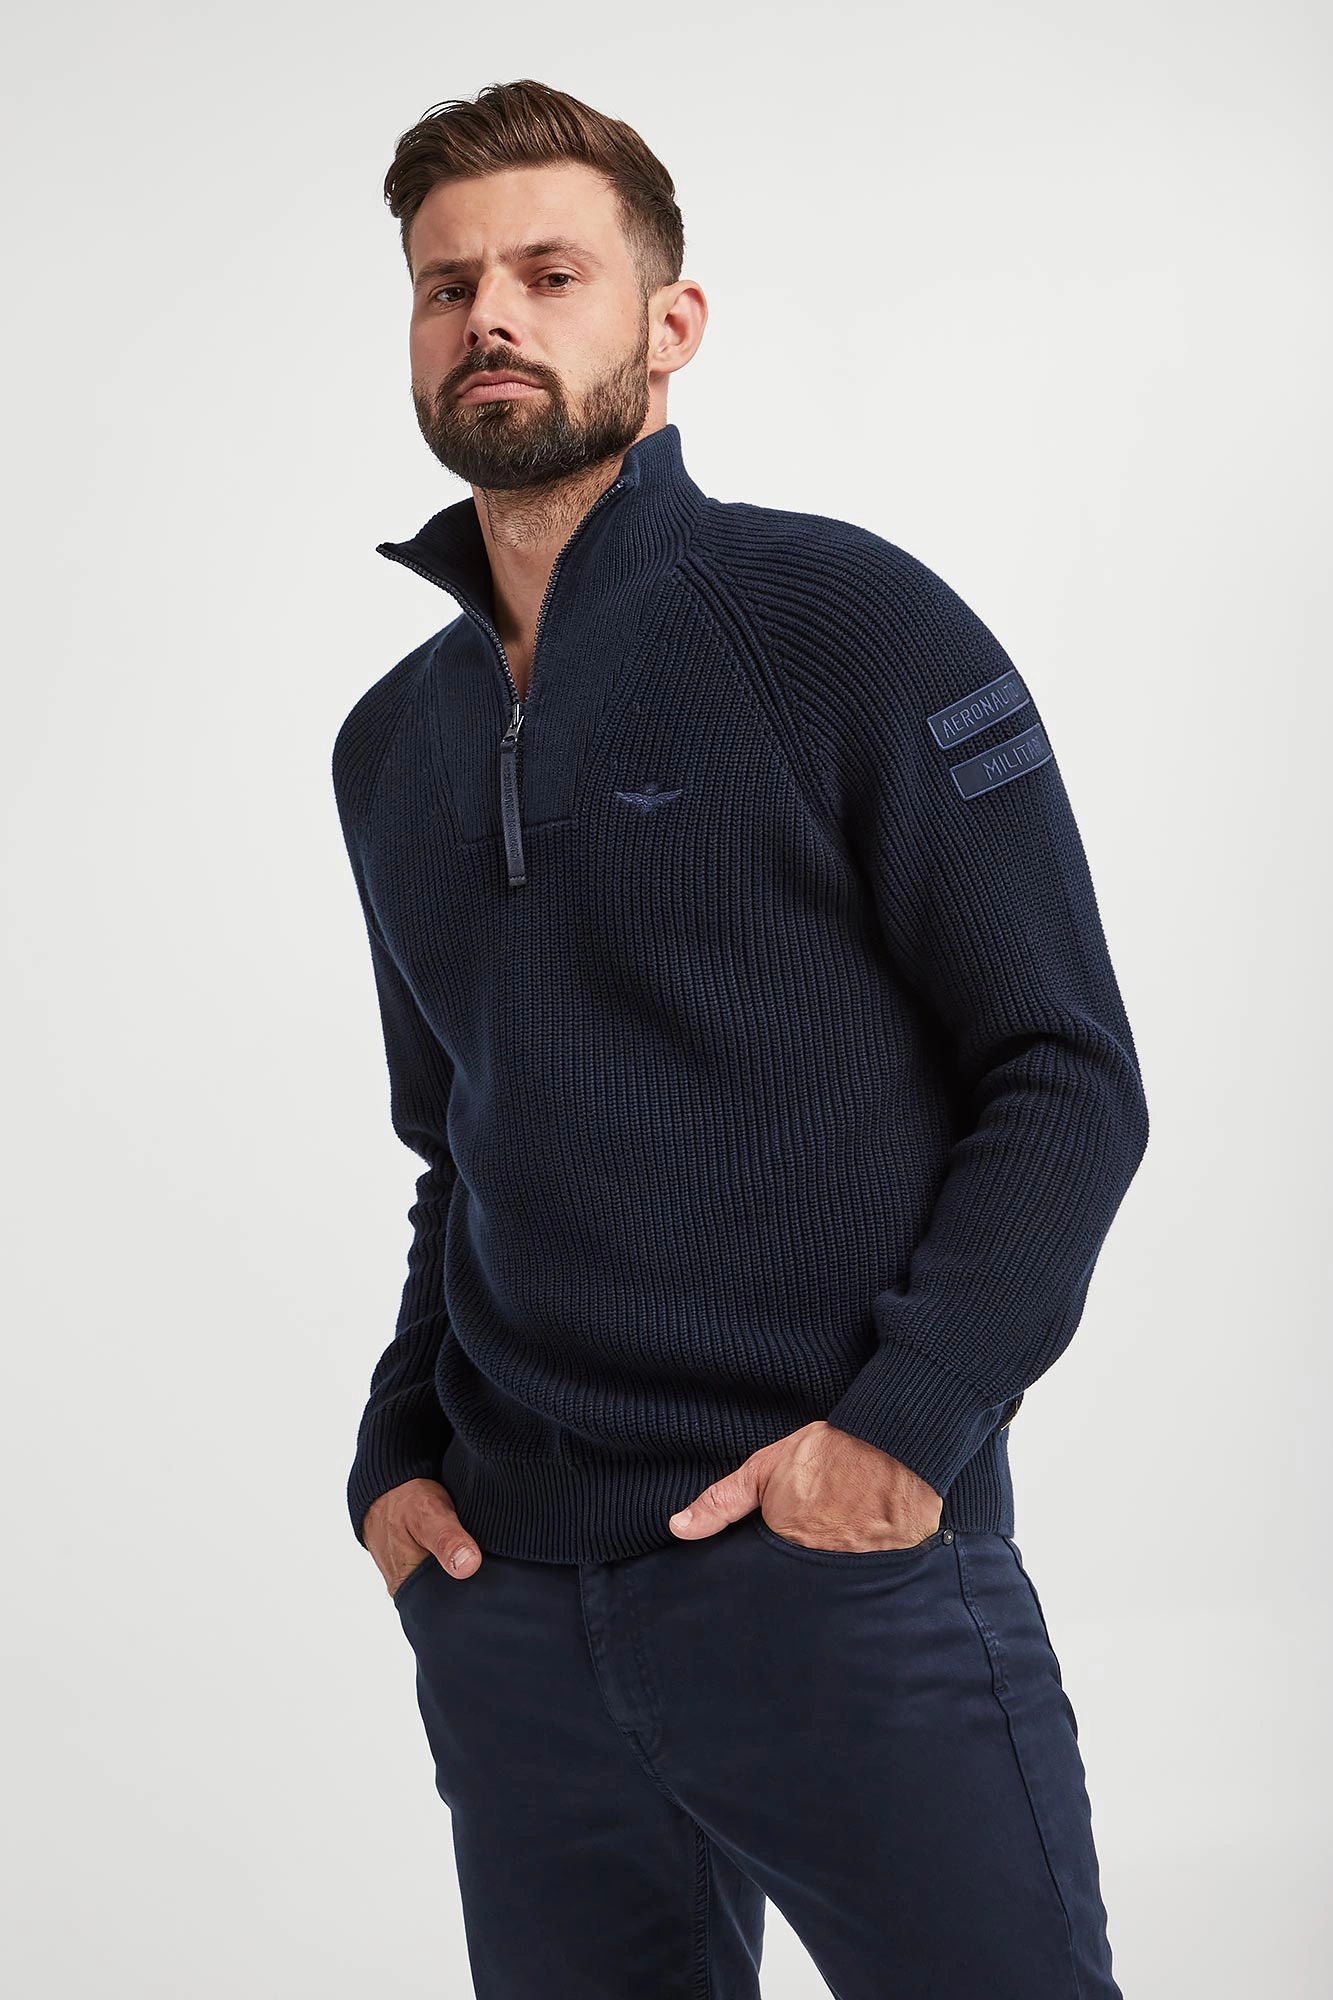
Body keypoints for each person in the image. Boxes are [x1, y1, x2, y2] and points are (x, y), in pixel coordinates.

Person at [331, 76, 1150, 2000]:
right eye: (449, 286)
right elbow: (461, 1145)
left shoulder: (849, 623)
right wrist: (395, 1451)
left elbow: (1063, 1072)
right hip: (514, 1612)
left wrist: (903, 1432)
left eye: (550, 274)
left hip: (834, 1574)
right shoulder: (391, 745)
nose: (491, 317)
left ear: (670, 321)